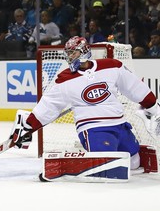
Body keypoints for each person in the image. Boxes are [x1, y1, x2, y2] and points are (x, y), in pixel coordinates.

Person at [14, 36, 160, 172]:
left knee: (134, 162)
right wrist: (28, 126)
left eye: (73, 53)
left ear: (84, 52)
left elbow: (134, 87)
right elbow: (49, 104)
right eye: (68, 54)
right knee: (110, 164)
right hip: (93, 129)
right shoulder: (65, 79)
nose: (70, 57)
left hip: (119, 124)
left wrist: (153, 107)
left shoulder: (111, 66)